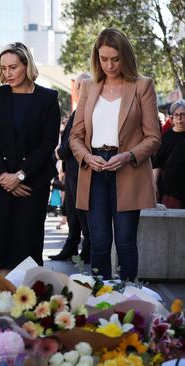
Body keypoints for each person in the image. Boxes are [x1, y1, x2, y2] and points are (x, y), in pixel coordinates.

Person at [70, 28, 161, 280]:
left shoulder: (142, 86)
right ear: (97, 58)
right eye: (103, 59)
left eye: (115, 59)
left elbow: (153, 137)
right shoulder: (88, 87)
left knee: (125, 242)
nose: (109, 65)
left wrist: (129, 156)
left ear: (126, 57)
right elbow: (75, 136)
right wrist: (88, 157)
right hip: (94, 168)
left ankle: (128, 299)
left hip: (128, 168)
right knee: (98, 242)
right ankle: (101, 299)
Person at [0, 42, 60, 276]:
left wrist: (21, 175)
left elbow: (47, 144)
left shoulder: (47, 98)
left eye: (13, 67)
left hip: (32, 184)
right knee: (0, 248)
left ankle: (28, 305)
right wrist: (4, 177)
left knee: (27, 248)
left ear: (27, 65)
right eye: (3, 68)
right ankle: (1, 302)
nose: (8, 73)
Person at [50, 73, 92, 263]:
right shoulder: (79, 109)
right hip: (72, 170)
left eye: (84, 84)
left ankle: (86, 250)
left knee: (82, 213)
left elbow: (76, 140)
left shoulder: (88, 109)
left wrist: (59, 154)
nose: (80, 88)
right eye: (78, 85)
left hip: (81, 169)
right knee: (72, 212)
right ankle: (72, 246)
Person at [154, 99, 185, 208]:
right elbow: (157, 164)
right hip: (171, 191)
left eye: (182, 114)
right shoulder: (166, 137)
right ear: (172, 118)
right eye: (176, 115)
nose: (180, 118)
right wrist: (155, 185)